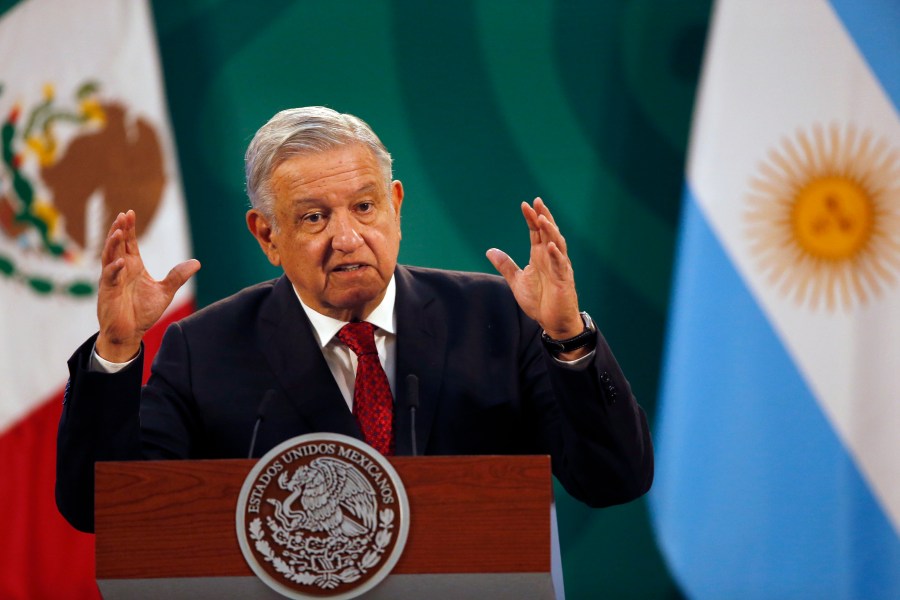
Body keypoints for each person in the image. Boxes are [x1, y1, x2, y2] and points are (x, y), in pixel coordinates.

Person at [56, 106, 653, 533]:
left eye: (364, 207)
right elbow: (99, 512)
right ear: (267, 235)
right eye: (314, 217)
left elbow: (614, 480)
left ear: (395, 206)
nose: (348, 238)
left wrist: (569, 339)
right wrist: (115, 349)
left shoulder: (498, 318)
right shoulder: (204, 348)